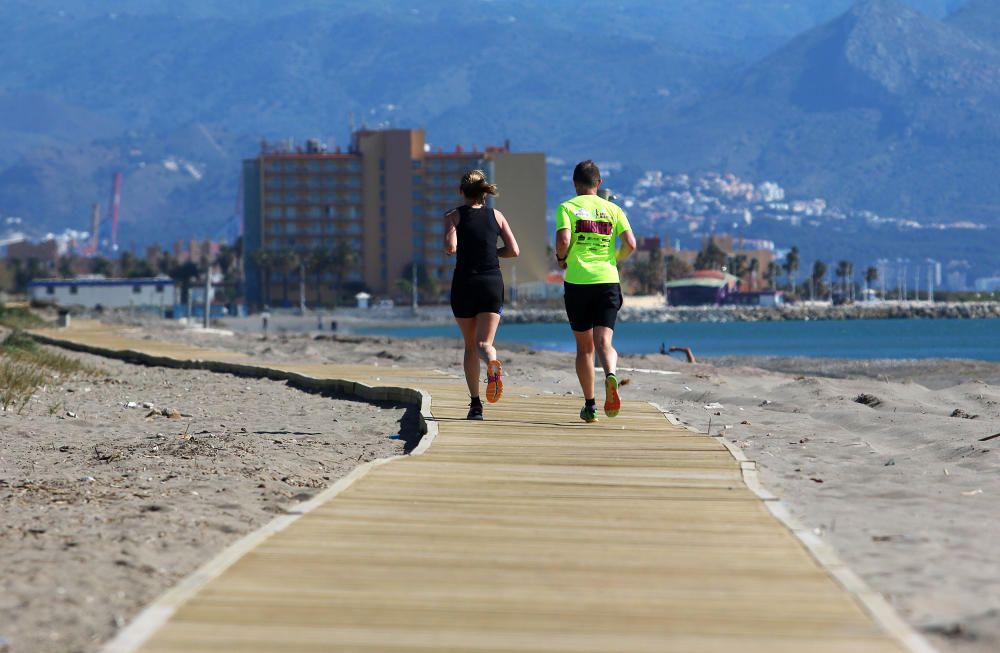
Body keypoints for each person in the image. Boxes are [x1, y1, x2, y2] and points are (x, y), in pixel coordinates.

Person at [555, 160, 636, 422]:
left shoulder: (567, 207)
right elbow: (631, 244)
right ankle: (610, 374)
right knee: (604, 342)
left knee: (584, 348)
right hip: (607, 280)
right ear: (598, 183)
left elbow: (564, 240)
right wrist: (615, 259)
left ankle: (590, 405)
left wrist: (561, 257)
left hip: (578, 282)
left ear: (575, 184)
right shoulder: (613, 209)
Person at [444, 169, 520, 420]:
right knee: (484, 344)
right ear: (483, 193)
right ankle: (492, 364)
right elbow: (513, 251)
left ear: (461, 192)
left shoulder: (454, 216)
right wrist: (492, 253)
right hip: (491, 282)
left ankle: (476, 405)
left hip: (465, 283)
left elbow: (450, 248)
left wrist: (451, 227)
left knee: (469, 346)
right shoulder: (497, 216)